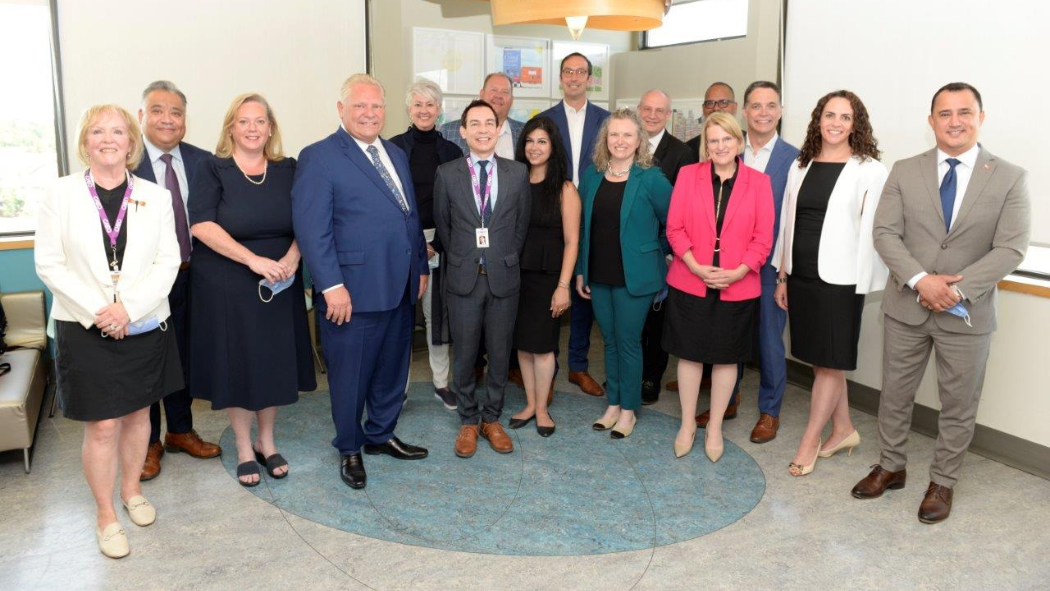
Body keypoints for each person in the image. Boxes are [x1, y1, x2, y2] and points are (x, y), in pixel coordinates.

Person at [853, 83, 1030, 524]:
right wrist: (920, 280)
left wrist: (953, 289)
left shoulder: (1009, 176)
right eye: (945, 113)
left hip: (966, 312)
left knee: (958, 403)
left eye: (964, 112)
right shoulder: (904, 169)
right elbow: (885, 234)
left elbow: (1011, 248)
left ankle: (942, 481)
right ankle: (891, 465)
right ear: (931, 121)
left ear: (981, 118)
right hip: (905, 307)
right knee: (894, 394)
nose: (955, 121)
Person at [35, 105, 182, 558]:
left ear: (131, 141)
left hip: (142, 322)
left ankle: (132, 490)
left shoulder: (154, 197)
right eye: (97, 131)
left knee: (139, 415)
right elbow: (49, 264)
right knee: (102, 425)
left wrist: (128, 309)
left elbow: (168, 261)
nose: (108, 138)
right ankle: (105, 514)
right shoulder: (58, 195)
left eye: (117, 131)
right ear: (85, 141)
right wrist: (103, 311)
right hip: (84, 323)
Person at [293, 74, 430, 490]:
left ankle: (381, 434)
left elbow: (409, 216)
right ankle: (350, 447)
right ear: (341, 110)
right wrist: (331, 285)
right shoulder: (319, 156)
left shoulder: (395, 153)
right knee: (351, 376)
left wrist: (420, 266)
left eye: (376, 107)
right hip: (351, 292)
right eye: (360, 106)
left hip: (400, 284)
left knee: (393, 368)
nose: (369, 114)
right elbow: (311, 228)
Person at [188, 93, 316, 487]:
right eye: (244, 121)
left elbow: (307, 219)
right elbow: (201, 225)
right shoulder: (212, 168)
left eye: (260, 121)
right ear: (231, 127)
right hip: (229, 283)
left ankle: (267, 441)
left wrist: (294, 257)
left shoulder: (288, 169)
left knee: (272, 364)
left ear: (271, 127)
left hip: (280, 282)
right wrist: (253, 260)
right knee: (239, 365)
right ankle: (244, 447)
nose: (252, 128)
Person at [772, 90, 888, 477]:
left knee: (829, 362)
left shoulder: (869, 168)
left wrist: (863, 284)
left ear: (857, 125)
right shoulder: (801, 164)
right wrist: (783, 274)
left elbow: (874, 232)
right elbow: (788, 221)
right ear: (817, 119)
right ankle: (844, 429)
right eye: (829, 115)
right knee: (825, 360)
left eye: (845, 117)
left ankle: (809, 441)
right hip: (801, 275)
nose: (836, 123)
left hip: (840, 280)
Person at [663, 112, 774, 461]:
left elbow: (763, 238)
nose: (720, 146)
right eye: (713, 140)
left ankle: (713, 428)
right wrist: (695, 266)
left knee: (727, 358)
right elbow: (674, 228)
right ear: (705, 145)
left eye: (727, 139)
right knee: (691, 354)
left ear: (738, 143)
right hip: (690, 280)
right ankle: (686, 424)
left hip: (737, 285)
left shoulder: (759, 183)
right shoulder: (687, 175)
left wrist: (739, 271)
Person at [694, 81, 800, 444]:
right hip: (727, 268)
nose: (763, 112)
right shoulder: (727, 151)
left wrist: (784, 271)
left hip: (770, 267)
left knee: (770, 340)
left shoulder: (797, 158)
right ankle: (729, 400)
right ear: (744, 111)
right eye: (756, 105)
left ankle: (770, 411)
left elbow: (792, 219)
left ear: (781, 111)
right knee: (730, 337)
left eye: (771, 105)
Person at [132, 80, 221, 481]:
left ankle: (180, 431)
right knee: (150, 361)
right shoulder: (127, 165)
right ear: (141, 117)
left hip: (194, 276)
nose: (168, 120)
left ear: (185, 120)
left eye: (176, 113)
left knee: (185, 356)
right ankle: (149, 442)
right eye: (158, 110)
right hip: (146, 283)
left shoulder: (204, 162)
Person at [434, 99, 531, 458]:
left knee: (501, 353)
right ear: (463, 131)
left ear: (498, 128)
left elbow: (520, 227)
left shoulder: (516, 173)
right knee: (465, 354)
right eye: (474, 124)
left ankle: (492, 418)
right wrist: (467, 256)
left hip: (503, 276)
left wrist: (501, 257)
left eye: (488, 123)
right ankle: (468, 421)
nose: (482, 130)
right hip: (463, 277)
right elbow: (444, 227)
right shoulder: (447, 173)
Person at [576, 108, 672, 439]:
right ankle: (614, 403)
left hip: (637, 276)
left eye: (627, 135)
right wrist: (580, 271)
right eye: (614, 134)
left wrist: (657, 252)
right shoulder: (592, 175)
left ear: (639, 141)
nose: (620, 141)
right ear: (605, 139)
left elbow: (672, 222)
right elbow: (583, 228)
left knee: (629, 341)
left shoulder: (651, 178)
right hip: (599, 272)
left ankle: (629, 410)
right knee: (610, 341)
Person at [537, 52, 611, 398]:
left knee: (584, 294)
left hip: (596, 219)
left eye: (581, 72)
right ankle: (546, 368)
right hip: (554, 218)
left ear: (590, 78)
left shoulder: (607, 120)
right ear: (561, 77)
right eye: (569, 71)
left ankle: (577, 366)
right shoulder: (544, 120)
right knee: (551, 290)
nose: (575, 77)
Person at [389, 79, 464, 411]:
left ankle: (441, 383)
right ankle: (398, 388)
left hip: (440, 244)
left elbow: (459, 207)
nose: (423, 110)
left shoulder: (452, 152)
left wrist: (437, 245)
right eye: (417, 104)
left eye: (430, 105)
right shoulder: (390, 148)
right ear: (409, 108)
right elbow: (388, 205)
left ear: (439, 110)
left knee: (437, 318)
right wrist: (416, 244)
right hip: (404, 245)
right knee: (402, 318)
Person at [506, 117, 581, 437]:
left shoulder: (565, 189)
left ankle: (542, 409)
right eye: (530, 141)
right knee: (523, 346)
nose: (534, 148)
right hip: (515, 277)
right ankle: (529, 404)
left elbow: (572, 242)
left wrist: (563, 286)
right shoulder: (514, 181)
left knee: (544, 347)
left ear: (553, 147)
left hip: (549, 279)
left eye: (542, 142)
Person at [636, 89, 698, 405]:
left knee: (656, 319)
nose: (651, 115)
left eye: (659, 110)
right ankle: (632, 372)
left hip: (662, 248)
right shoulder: (625, 144)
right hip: (630, 246)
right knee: (632, 316)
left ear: (668, 114)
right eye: (646, 109)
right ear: (638, 109)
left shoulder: (682, 153)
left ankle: (651, 377)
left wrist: (674, 251)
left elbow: (683, 207)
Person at [440, 72, 524, 159]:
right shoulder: (448, 131)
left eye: (505, 92)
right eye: (493, 90)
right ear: (482, 94)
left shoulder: (524, 132)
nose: (499, 95)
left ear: (512, 99)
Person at [684, 82, 739, 156]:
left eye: (723, 102)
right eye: (710, 103)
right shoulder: (689, 149)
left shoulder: (748, 143)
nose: (716, 108)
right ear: (703, 108)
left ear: (735, 107)